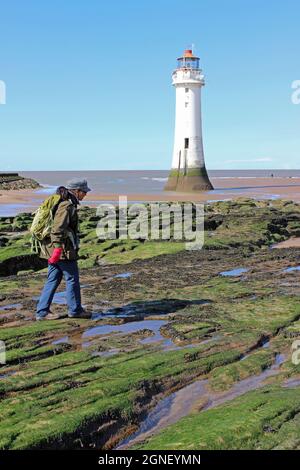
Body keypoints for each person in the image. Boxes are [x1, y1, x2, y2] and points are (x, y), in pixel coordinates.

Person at [36, 178, 92, 320]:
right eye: (84, 192)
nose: (85, 195)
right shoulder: (66, 205)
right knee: (72, 278)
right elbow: (57, 229)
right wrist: (57, 249)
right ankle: (75, 310)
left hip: (52, 249)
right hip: (62, 250)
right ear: (76, 191)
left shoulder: (62, 202)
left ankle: (42, 312)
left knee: (53, 279)